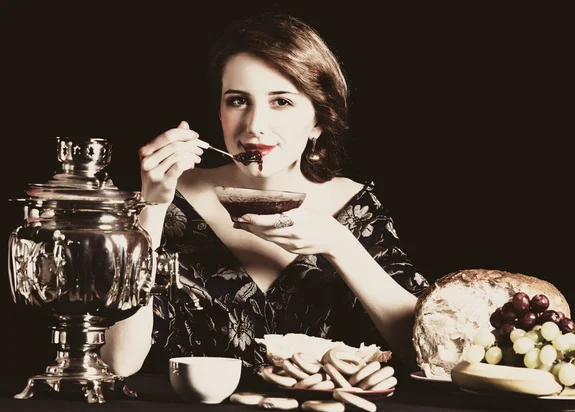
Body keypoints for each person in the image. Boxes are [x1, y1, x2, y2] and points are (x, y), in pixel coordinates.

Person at [101, 12, 430, 386]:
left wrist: (340, 244)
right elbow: (118, 362)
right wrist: (153, 209)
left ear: (318, 121)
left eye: (282, 102)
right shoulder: (168, 200)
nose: (254, 125)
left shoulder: (356, 206)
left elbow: (423, 353)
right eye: (238, 100)